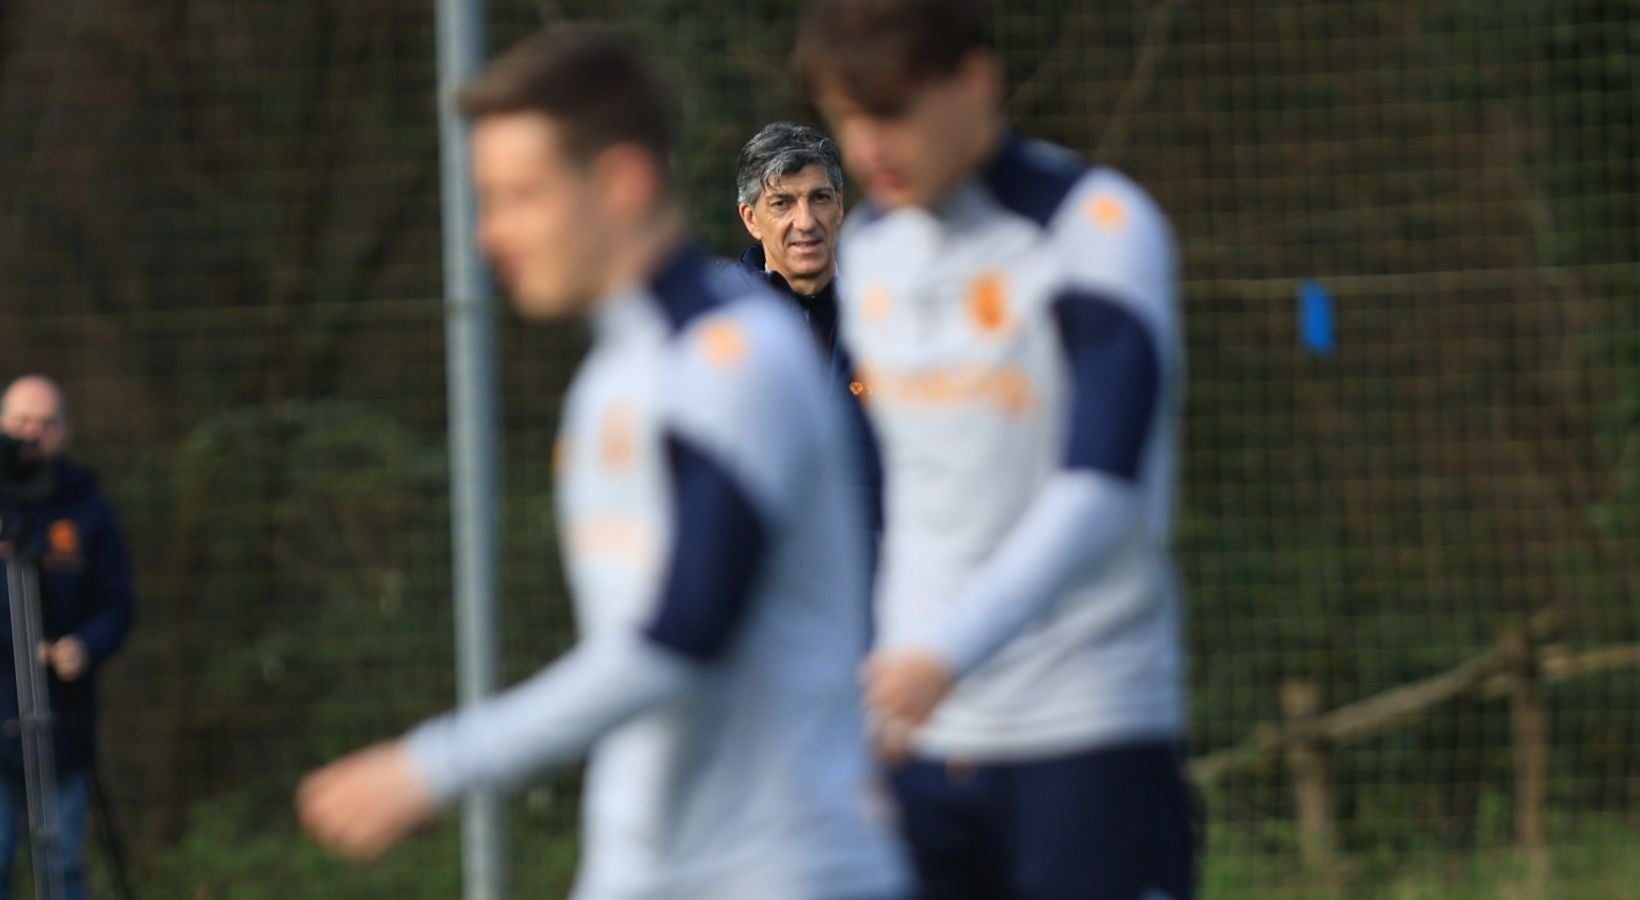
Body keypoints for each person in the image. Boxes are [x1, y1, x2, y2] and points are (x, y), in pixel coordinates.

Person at [296, 26, 908, 900]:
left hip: (787, 867)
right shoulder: (612, 378)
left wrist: (435, 763)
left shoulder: (737, 363)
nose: (490, 234)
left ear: (620, 182)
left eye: (520, 197)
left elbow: (681, 639)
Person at [795, 1, 1196, 898]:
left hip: (1088, 729)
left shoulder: (1096, 228)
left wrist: (947, 650)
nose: (866, 148)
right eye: (846, 118)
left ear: (975, 83)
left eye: (891, 111)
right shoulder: (872, 249)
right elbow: (870, 485)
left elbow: (1101, 486)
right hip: (916, 742)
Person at [0, 375, 136, 900]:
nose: (32, 434)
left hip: (62, 720)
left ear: (65, 431)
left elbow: (117, 606)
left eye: (45, 423)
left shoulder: (86, 506)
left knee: (60, 862)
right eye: (21, 422)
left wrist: (83, 645)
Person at [729, 122, 883, 533]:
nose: (806, 221)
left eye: (819, 198)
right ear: (751, 219)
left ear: (840, 205)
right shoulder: (719, 330)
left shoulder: (892, 313)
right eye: (782, 203)